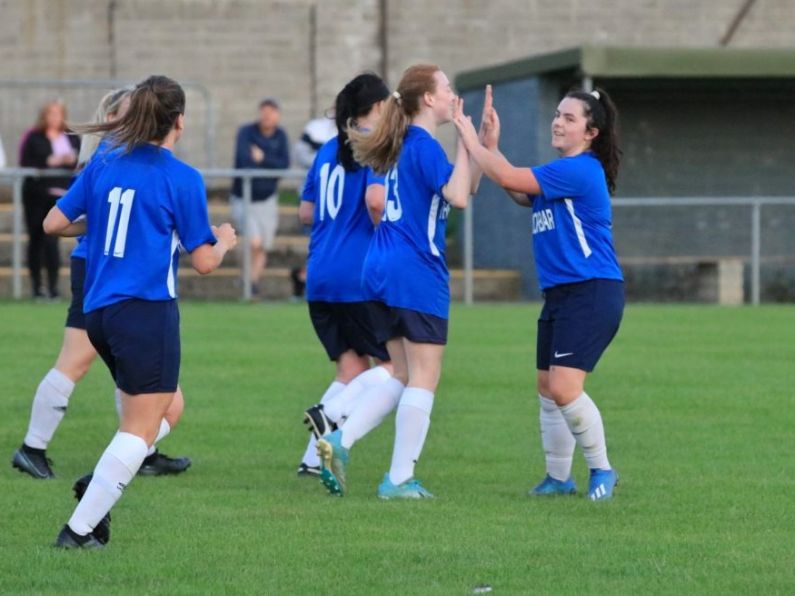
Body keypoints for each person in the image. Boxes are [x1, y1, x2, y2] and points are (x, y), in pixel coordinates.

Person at [42, 75, 237, 548]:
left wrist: (107, 221)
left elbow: (53, 223)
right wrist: (226, 239)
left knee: (170, 406)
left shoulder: (106, 160)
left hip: (101, 311)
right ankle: (79, 529)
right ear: (179, 121)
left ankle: (104, 477)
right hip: (146, 312)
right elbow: (206, 261)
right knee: (140, 427)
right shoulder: (181, 177)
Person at [315, 64, 481, 499]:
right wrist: (467, 138)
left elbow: (464, 186)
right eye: (446, 87)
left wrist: (481, 146)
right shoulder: (423, 145)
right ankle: (399, 479)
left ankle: (340, 440)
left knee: (401, 374)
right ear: (428, 98)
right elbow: (459, 197)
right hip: (415, 269)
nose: (452, 94)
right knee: (424, 376)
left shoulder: (400, 142)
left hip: (378, 267)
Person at [11, 87, 192, 481]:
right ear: (113, 116)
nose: (137, 117)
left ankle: (142, 449)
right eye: (128, 110)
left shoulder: (124, 154)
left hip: (111, 271)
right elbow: (61, 221)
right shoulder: (111, 155)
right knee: (75, 362)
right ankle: (33, 447)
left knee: (138, 374)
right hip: (98, 267)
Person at [453, 86, 624, 501]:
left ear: (591, 132)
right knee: (547, 386)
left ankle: (602, 469)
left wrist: (470, 139)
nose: (558, 122)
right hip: (562, 295)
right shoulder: (560, 171)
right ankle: (558, 479)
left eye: (570, 118)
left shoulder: (581, 169)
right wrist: (491, 145)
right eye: (558, 114)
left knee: (565, 388)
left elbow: (510, 178)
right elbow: (518, 191)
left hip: (591, 291)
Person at [296, 73, 400, 481]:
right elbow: (376, 201)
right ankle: (331, 415)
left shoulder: (326, 151)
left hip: (320, 275)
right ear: (377, 108)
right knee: (398, 365)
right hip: (358, 278)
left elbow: (306, 213)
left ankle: (310, 460)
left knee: (350, 370)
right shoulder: (374, 144)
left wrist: (334, 226)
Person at [20, 100, 80, 299]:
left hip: (60, 194)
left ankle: (53, 288)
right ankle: (38, 288)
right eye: (51, 114)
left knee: (52, 241)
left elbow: (82, 161)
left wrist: (70, 160)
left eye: (58, 113)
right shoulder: (34, 137)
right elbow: (25, 162)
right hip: (37, 195)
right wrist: (49, 161)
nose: (55, 118)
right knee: (36, 239)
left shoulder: (71, 137)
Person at [231, 98, 290, 297]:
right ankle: (248, 284)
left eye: (271, 113)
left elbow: (283, 166)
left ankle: (251, 285)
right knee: (253, 242)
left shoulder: (281, 136)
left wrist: (263, 158)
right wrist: (264, 164)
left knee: (263, 245)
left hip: (267, 199)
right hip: (244, 197)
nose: (267, 117)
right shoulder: (246, 132)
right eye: (264, 112)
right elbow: (243, 161)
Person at [290, 114, 337, 301]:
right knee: (318, 244)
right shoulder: (317, 130)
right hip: (325, 203)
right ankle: (306, 280)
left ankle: (309, 281)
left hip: (333, 205)